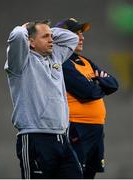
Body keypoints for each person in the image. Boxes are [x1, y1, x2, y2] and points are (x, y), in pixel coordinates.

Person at [4, 20, 83, 179]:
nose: (51, 40)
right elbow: (17, 35)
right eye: (45, 36)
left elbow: (72, 38)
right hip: (35, 139)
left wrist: (45, 29)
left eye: (52, 36)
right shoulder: (20, 62)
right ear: (30, 42)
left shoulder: (56, 57)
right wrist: (25, 28)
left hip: (62, 139)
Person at [56, 18, 119, 179]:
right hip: (77, 128)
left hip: (96, 129)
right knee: (75, 174)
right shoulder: (62, 62)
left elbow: (114, 84)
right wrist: (98, 81)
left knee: (89, 174)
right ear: (64, 38)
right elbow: (88, 93)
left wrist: (97, 84)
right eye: (76, 34)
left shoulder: (85, 61)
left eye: (82, 34)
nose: (82, 38)